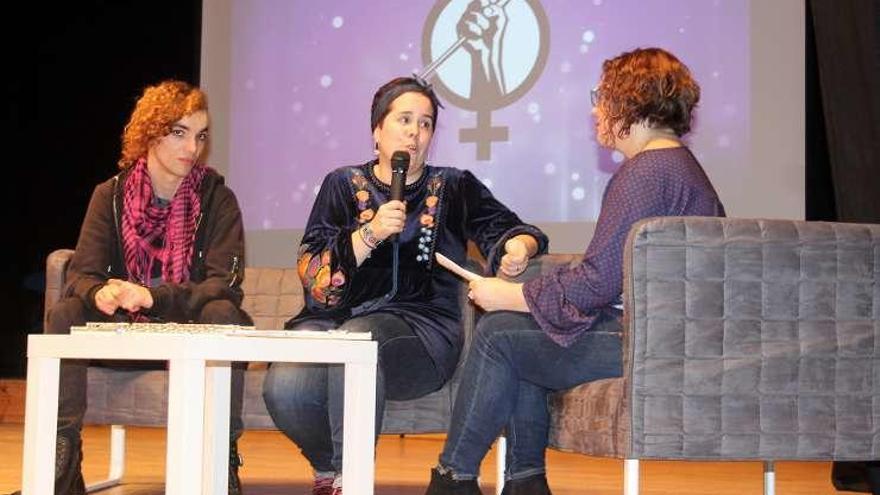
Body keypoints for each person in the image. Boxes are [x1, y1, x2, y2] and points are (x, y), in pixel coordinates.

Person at [424, 47, 726, 495]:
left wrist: (511, 295)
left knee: (497, 335)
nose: (595, 108)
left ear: (630, 100)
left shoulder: (645, 173)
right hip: (672, 339)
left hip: (644, 346)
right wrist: (531, 303)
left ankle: (453, 478)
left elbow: (598, 281)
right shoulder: (681, 167)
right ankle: (525, 481)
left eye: (602, 96)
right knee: (522, 333)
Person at [261, 76, 548, 495]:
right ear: (377, 129)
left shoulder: (452, 185)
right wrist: (369, 235)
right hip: (330, 322)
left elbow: (512, 230)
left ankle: (350, 480)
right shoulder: (341, 184)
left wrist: (519, 247)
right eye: (405, 120)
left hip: (420, 335)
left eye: (426, 123)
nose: (416, 132)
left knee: (359, 338)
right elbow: (313, 272)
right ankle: (328, 469)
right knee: (284, 387)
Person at [10, 80, 251, 495]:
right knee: (67, 310)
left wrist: (152, 295)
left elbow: (223, 285)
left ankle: (220, 463)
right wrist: (97, 292)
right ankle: (61, 463)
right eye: (179, 132)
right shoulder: (111, 195)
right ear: (150, 132)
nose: (192, 147)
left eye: (200, 135)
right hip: (124, 338)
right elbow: (83, 273)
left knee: (223, 314)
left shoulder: (217, 199)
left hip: (188, 337)